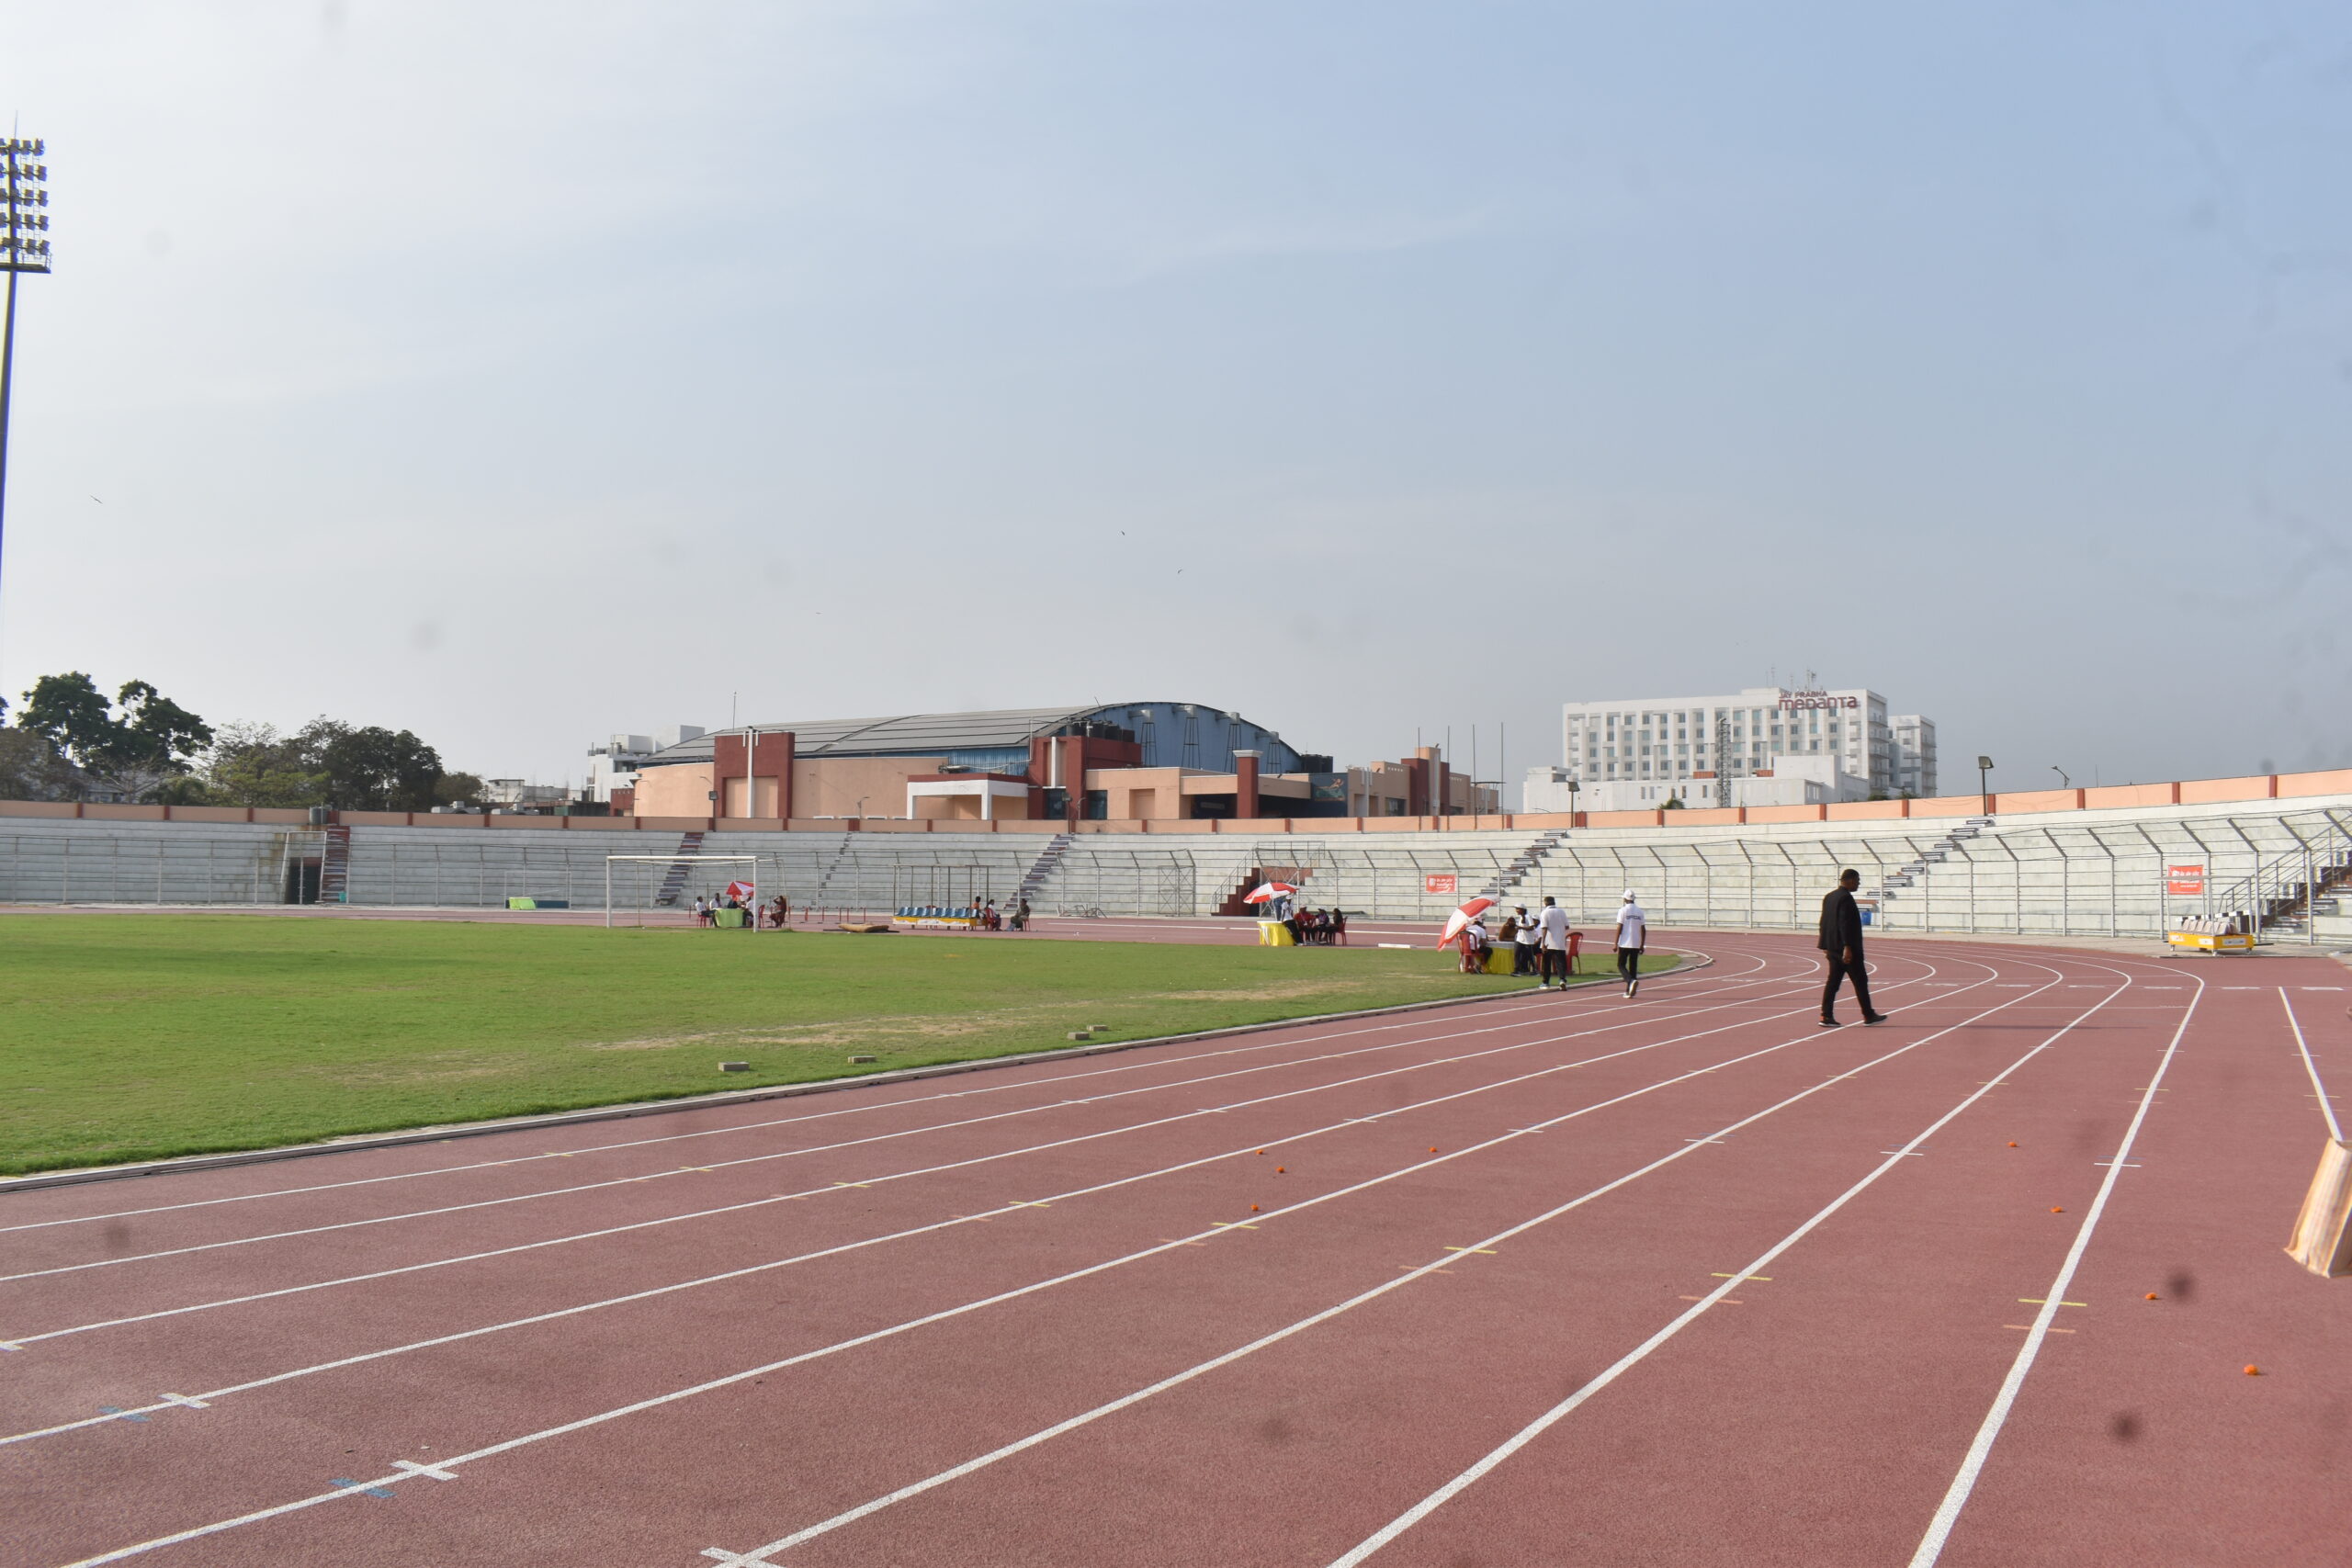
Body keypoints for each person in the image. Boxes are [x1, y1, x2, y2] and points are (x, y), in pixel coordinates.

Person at [1819, 868, 1885, 1028]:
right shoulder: (1846, 898)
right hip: (1847, 950)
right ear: (1849, 880)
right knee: (1860, 981)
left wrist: (1825, 945)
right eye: (1857, 880)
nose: (1858, 884)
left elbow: (1824, 921)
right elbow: (1845, 924)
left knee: (1833, 983)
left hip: (1833, 948)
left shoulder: (1829, 896)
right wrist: (1847, 947)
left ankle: (1826, 1015)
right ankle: (1868, 1015)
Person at [1613, 890, 1646, 998]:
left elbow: (1619, 927)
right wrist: (1642, 944)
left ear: (1624, 899)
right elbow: (1643, 929)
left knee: (1621, 965)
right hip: (1636, 943)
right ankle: (1629, 991)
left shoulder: (1622, 910)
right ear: (1634, 899)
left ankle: (1630, 981)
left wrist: (1615, 943)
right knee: (1633, 967)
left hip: (1624, 943)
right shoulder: (1640, 911)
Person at [1535, 896, 1573, 989]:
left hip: (1548, 942)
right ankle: (1562, 980)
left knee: (1546, 963)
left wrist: (1543, 942)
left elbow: (1544, 928)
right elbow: (1567, 926)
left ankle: (1546, 982)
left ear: (1545, 903)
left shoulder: (1544, 912)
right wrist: (1559, 929)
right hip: (1560, 941)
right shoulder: (1561, 912)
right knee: (1560, 963)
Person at [1506, 904, 1538, 976]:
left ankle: (1535, 970)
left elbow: (1532, 927)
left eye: (1518, 909)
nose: (1516, 910)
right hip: (1520, 939)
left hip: (1528, 940)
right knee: (1516, 954)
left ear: (1522, 909)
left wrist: (1521, 928)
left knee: (1530, 955)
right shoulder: (1520, 917)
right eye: (1516, 909)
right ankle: (1517, 970)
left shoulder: (1528, 916)